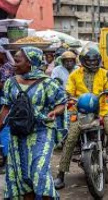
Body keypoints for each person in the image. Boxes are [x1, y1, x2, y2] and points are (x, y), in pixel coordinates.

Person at [54, 44, 108, 189]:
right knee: (70, 139)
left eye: (95, 60)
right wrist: (68, 95)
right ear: (82, 60)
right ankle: (60, 175)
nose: (93, 63)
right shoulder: (74, 75)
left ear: (99, 60)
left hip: (101, 111)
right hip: (80, 112)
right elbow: (69, 89)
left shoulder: (104, 73)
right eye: (90, 60)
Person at [0, 46, 67, 199]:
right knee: (23, 175)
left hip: (41, 131)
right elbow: (6, 107)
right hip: (18, 133)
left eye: (17, 61)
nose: (14, 64)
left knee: (38, 171)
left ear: (30, 62)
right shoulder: (10, 83)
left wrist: (55, 111)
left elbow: (61, 102)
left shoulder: (47, 83)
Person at [0, 45, 14, 174]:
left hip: (5, 102)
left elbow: (5, 86)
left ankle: (6, 160)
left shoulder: (7, 67)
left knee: (4, 130)